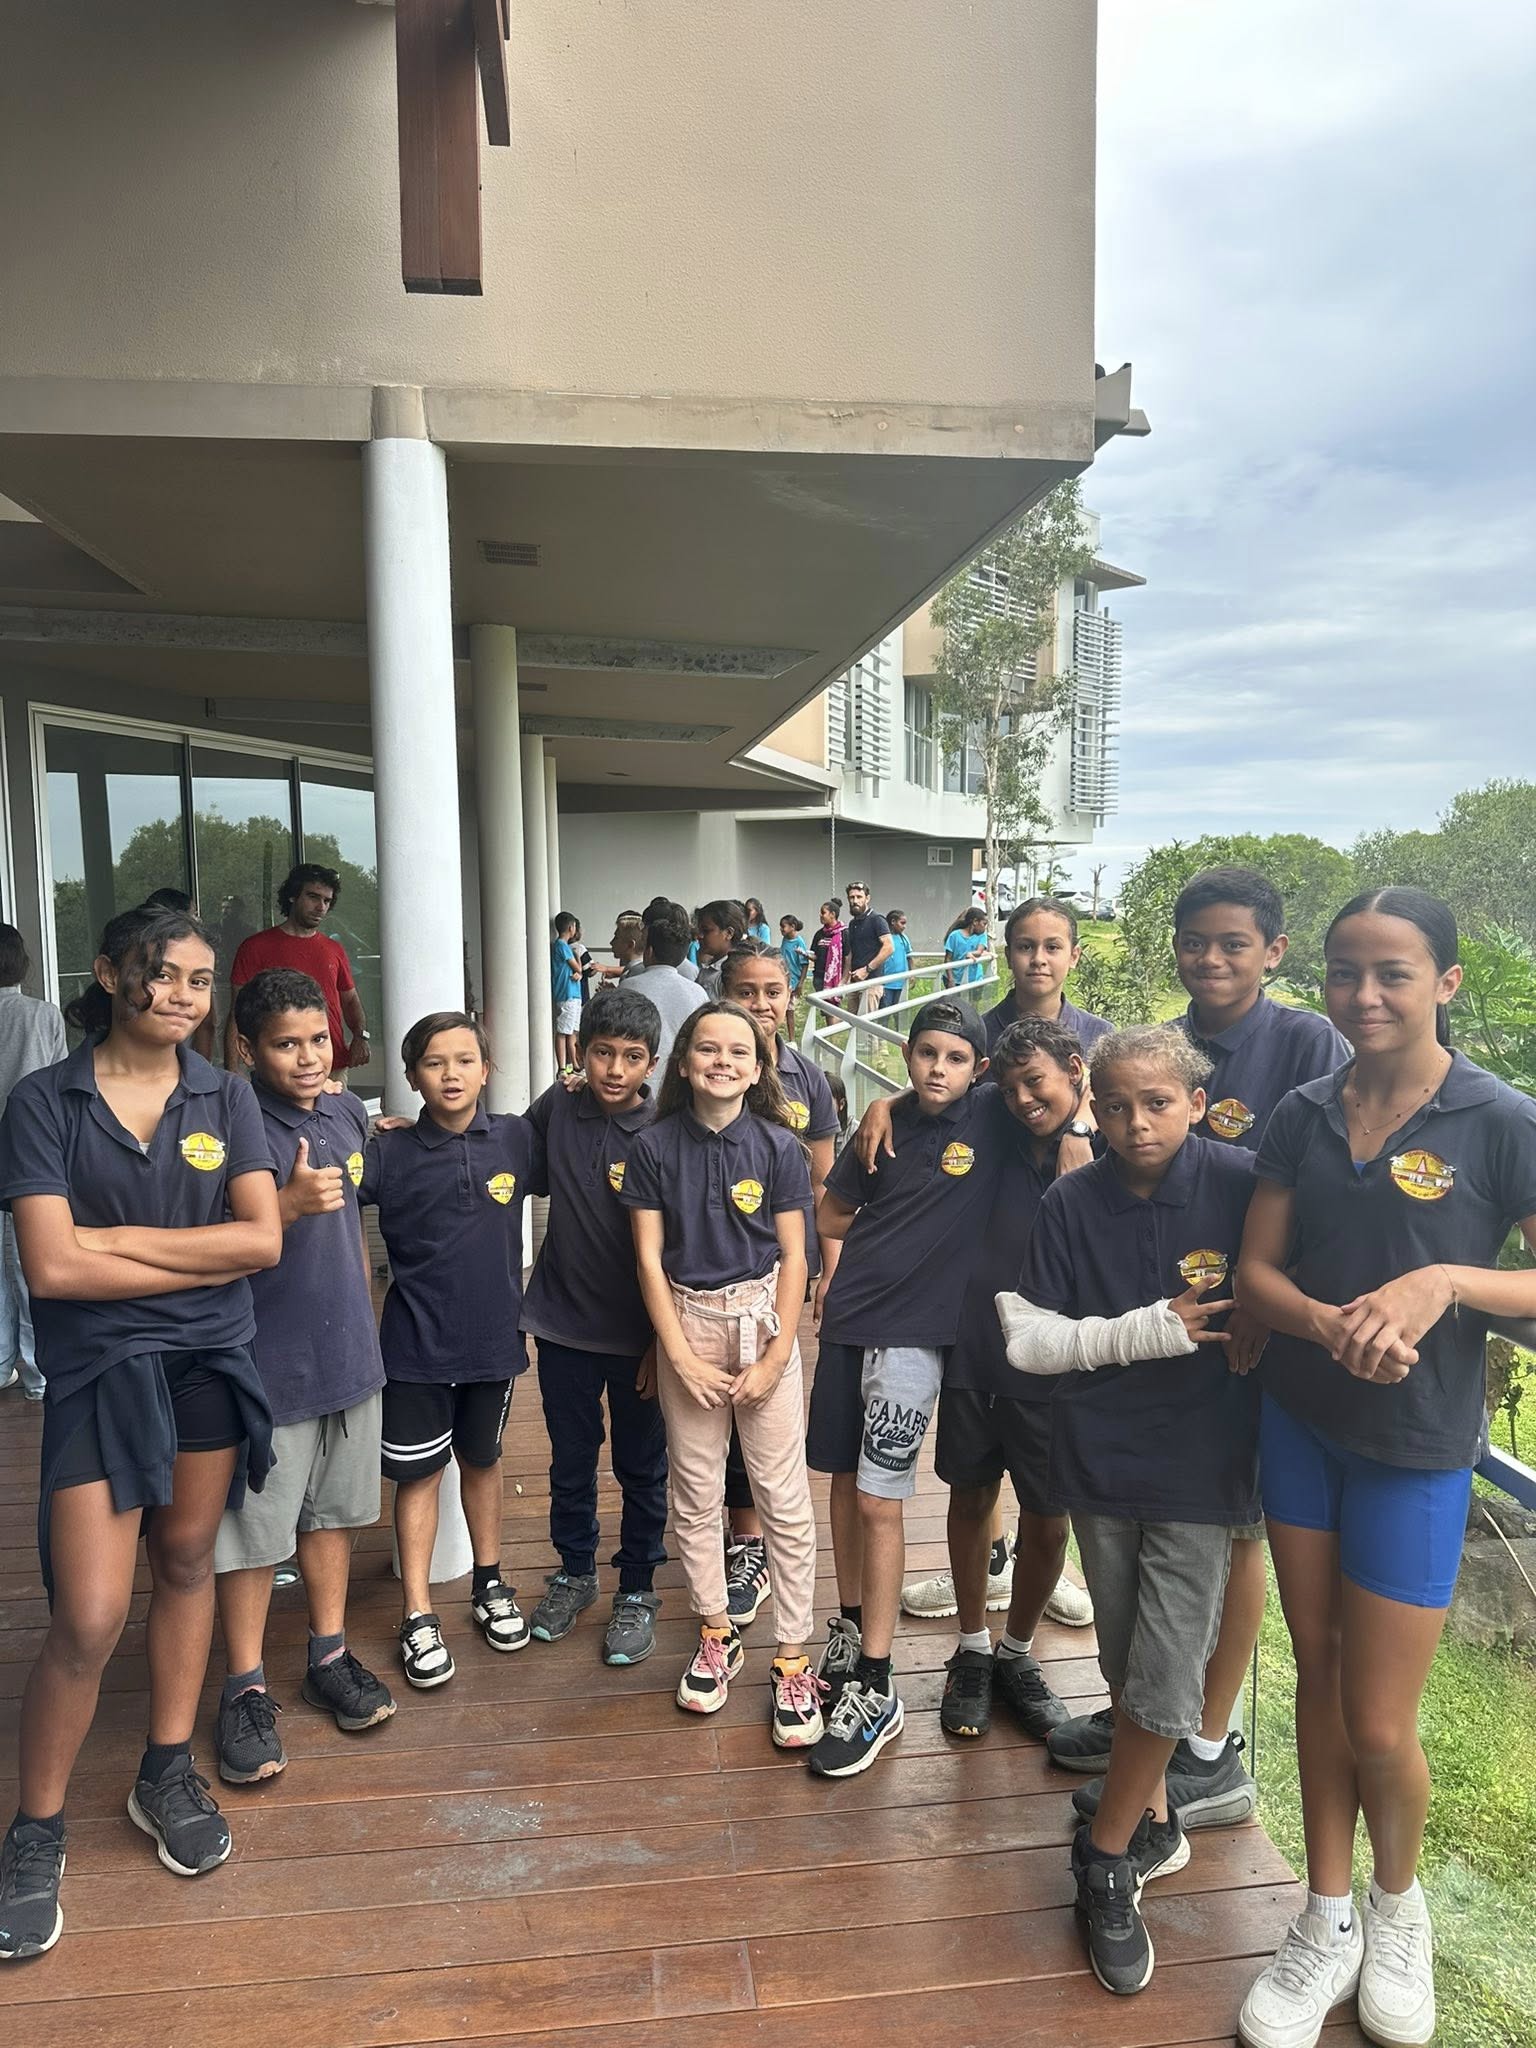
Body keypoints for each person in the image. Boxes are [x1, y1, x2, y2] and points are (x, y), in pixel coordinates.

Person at [1234, 889, 1536, 2048]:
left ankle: (1396, 1905)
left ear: (1445, 982)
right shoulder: (1305, 1109)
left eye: (1393, 972)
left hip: (1416, 1447)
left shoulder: (1500, 1119)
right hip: (1300, 1424)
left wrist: (1446, 1281)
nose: (1363, 995)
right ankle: (1324, 1917)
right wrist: (1327, 1323)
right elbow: (1258, 1274)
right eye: (1344, 971)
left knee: (1376, 1715)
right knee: (1314, 1671)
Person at [0, 906, 281, 1962]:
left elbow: (261, 1240)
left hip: (209, 1365)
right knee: (88, 1615)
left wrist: (114, 1237)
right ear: (111, 973)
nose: (181, 996)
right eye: (162, 974)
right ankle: (34, 1829)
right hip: (99, 1372)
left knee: (187, 1558)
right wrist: (185, 1254)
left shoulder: (226, 1095)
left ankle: (165, 1767)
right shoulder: (45, 1100)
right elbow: (51, 1267)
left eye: (200, 981)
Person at [998, 1026, 1264, 1996]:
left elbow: (1294, 1276)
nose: (1135, 1122)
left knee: (1165, 1673)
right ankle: (1151, 1818)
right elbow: (1029, 1338)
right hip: (1102, 1457)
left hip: (1205, 1464)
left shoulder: (1243, 1183)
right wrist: (1149, 1330)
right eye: (1113, 1105)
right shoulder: (1071, 1200)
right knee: (1121, 1656)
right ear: (1091, 1106)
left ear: (1196, 1101)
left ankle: (1105, 1855)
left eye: (1156, 1102)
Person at [854, 1019, 1101, 1738]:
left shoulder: (1101, 1148)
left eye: (1038, 1084)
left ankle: (1017, 1652)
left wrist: (1082, 1124)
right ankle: (970, 1647)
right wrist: (882, 1104)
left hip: (1058, 1365)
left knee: (1049, 1518)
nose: (1024, 1099)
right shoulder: (992, 1118)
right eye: (1012, 1085)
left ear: (1075, 1072)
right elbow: (935, 1088)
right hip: (975, 1348)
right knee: (970, 1497)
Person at [805, 997, 1016, 1777]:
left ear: (978, 1069)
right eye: (926, 1054)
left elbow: (1053, 1089)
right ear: (906, 1055)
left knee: (878, 1497)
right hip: (850, 1319)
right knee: (841, 1479)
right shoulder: (883, 1127)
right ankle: (850, 1627)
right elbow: (831, 1217)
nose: (938, 1068)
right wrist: (885, 1115)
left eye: (956, 1058)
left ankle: (879, 1680)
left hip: (915, 1335)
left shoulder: (991, 1117)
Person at [618, 1001, 823, 1748]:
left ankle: (792, 1656)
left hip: (762, 1322)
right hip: (689, 1323)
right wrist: (675, 1352)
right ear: (683, 1061)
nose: (723, 1061)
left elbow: (795, 1256)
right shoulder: (652, 1146)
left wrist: (777, 1354)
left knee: (782, 1496)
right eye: (708, 1048)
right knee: (696, 1490)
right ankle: (715, 1630)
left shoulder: (778, 1147)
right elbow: (648, 1258)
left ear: (759, 1066)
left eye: (740, 1051)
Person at [211, 969, 392, 1787]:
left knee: (333, 1517)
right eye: (287, 1044)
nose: (311, 1056)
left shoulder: (346, 1113)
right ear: (248, 1049)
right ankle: (244, 1686)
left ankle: (328, 1654)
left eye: (319, 1038)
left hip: (349, 1353)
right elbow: (210, 1236)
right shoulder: (230, 1120)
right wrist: (282, 1205)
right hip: (267, 1364)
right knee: (253, 1537)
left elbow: (361, 1199)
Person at [359, 1012, 533, 1691]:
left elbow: (585, 1133)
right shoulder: (388, 1153)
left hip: (494, 1344)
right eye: (434, 1063)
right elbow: (326, 1173)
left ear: (486, 1070)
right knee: (420, 1478)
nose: (451, 1074)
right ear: (411, 1077)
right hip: (414, 1350)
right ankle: (418, 1612)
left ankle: (490, 1584)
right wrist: (352, 1115)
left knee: (483, 1463)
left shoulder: (516, 1137)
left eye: (465, 1061)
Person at [521, 988, 670, 1666]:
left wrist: (663, 1341)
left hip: (640, 1339)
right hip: (563, 1327)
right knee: (571, 1461)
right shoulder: (558, 1107)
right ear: (580, 1052)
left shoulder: (665, 1132)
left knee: (642, 1466)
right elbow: (505, 1151)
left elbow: (680, 1247)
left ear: (652, 1064)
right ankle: (575, 1572)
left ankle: (637, 1586)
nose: (614, 1069)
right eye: (603, 1053)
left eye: (631, 1057)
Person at [716, 942, 845, 1627]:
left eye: (773, 991)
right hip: (713, 1270)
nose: (761, 1004)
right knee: (724, 1408)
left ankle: (766, 1541)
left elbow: (826, 1184)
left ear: (792, 997)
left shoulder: (809, 1081)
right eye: (746, 991)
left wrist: (832, 1266)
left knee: (770, 1401)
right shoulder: (708, 1066)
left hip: (783, 1271)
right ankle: (744, 1539)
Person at [0, 925, 65, 1401]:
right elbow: (59, 1081)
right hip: (30, 1149)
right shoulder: (43, 1014)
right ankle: (40, 1374)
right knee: (28, 1263)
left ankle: (1, 1362)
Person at [225, 864, 369, 1077]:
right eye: (313, 897)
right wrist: (232, 1073)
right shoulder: (255, 947)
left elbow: (350, 1000)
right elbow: (237, 1013)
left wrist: (361, 1036)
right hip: (277, 1064)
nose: (320, 907)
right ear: (293, 896)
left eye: (327, 901)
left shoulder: (334, 949)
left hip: (330, 1062)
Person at [984, 898, 1113, 1055]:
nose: (1038, 959)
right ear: (1009, 956)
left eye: (1052, 947)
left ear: (1074, 956)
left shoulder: (1098, 1036)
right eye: (1025, 947)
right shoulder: (980, 1035)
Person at [623, 904, 708, 1079]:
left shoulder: (629, 986)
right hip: (680, 1076)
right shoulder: (698, 992)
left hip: (638, 1074)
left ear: (649, 951)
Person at [843, 881, 893, 1013]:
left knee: (866, 1024)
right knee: (851, 1022)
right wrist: (844, 979)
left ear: (867, 898)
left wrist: (867, 969)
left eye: (859, 897)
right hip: (854, 982)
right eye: (851, 897)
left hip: (871, 983)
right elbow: (851, 953)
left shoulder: (877, 920)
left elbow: (889, 947)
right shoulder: (852, 923)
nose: (855, 901)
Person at [694, 900, 748, 999]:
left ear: (728, 933)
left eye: (706, 931)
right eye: (699, 931)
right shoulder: (710, 968)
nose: (699, 936)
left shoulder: (731, 974)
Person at [550, 912, 583, 1074]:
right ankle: (562, 1067)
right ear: (571, 927)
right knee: (563, 1031)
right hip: (567, 994)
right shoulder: (562, 946)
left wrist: (578, 973)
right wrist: (577, 957)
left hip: (573, 994)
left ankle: (573, 1064)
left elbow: (577, 972)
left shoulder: (562, 946)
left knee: (571, 1031)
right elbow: (578, 968)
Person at [943, 907, 992, 988]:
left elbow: (979, 951)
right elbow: (948, 959)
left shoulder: (981, 936)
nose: (985, 927)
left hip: (973, 979)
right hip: (955, 978)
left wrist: (971, 953)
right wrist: (951, 979)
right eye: (984, 924)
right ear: (975, 922)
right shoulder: (954, 936)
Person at [878, 909, 914, 1011]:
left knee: (898, 1011)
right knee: (885, 1010)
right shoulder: (884, 938)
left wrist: (912, 974)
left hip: (900, 982)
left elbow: (909, 957)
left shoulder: (904, 938)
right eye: (902, 923)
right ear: (893, 922)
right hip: (886, 982)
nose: (904, 926)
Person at [810, 899, 844, 996]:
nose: (820, 915)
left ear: (832, 914)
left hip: (836, 977)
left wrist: (845, 979)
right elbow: (815, 955)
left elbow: (847, 957)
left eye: (823, 913)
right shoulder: (819, 934)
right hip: (819, 976)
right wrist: (805, 954)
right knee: (821, 1004)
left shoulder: (843, 933)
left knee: (832, 1004)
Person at [610, 913, 647, 980]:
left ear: (630, 945)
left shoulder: (634, 974)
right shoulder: (636, 971)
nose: (611, 942)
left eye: (616, 938)